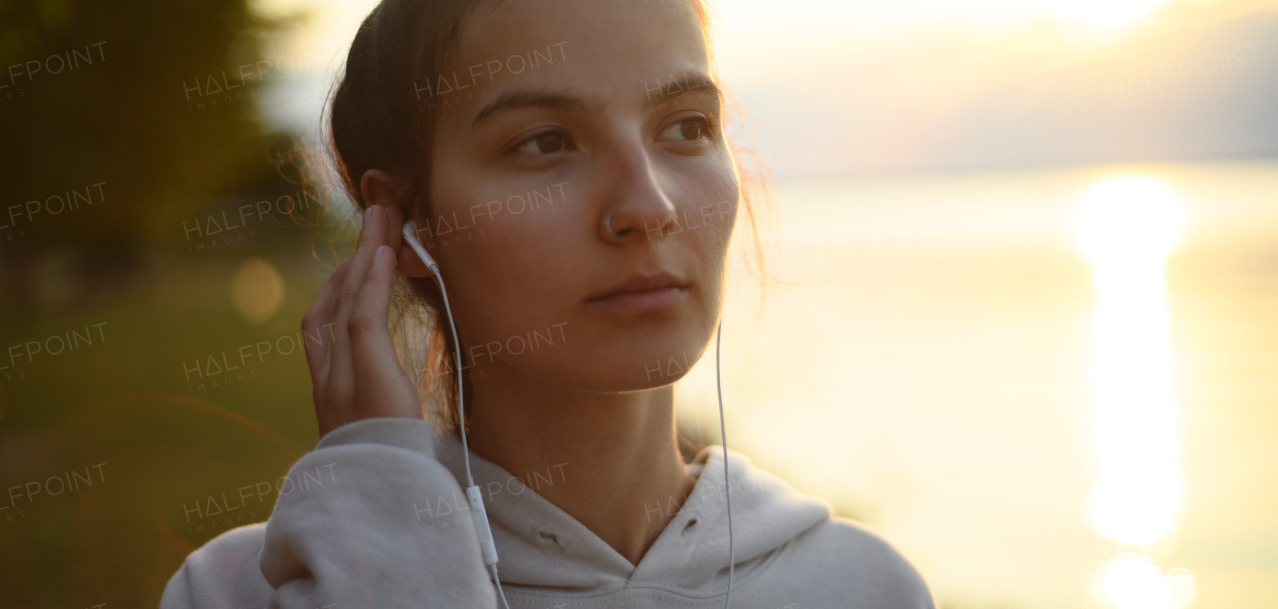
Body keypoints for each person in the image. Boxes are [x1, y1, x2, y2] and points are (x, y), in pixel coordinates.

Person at [160, 0, 938, 606]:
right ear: (401, 224)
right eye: (545, 141)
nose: (647, 204)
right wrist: (391, 556)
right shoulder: (236, 592)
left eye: (687, 126)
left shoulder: (869, 587)